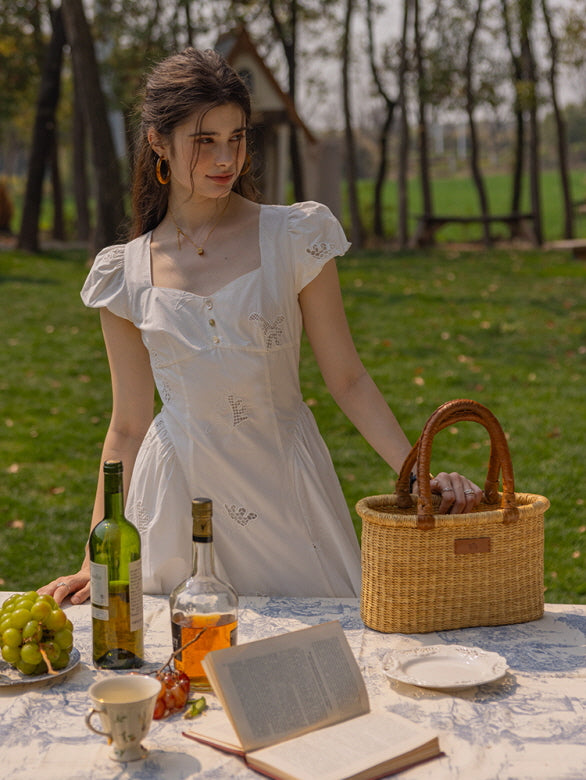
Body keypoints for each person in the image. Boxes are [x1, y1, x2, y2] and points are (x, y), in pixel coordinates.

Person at [40, 48, 482, 606]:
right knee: (178, 672)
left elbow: (347, 379)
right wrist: (91, 559)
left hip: (285, 492)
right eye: (206, 141)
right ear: (158, 142)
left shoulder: (293, 237)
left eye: (238, 137)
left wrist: (416, 476)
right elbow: (127, 426)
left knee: (321, 669)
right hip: (175, 502)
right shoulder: (123, 273)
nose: (227, 158)